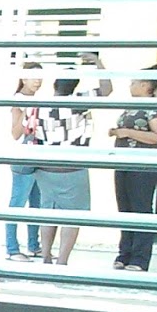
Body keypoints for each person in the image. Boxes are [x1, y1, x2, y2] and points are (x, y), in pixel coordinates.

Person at [34, 52, 112, 265]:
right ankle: (62, 260)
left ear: (55, 84)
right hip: (72, 168)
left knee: (48, 212)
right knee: (72, 216)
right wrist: (97, 61)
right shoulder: (78, 102)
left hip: (45, 167)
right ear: (75, 86)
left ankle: (46, 256)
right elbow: (107, 89)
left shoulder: (41, 104)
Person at [109, 66, 157, 271]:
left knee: (141, 208)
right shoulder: (131, 107)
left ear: (145, 85)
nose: (131, 86)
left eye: (134, 82)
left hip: (143, 165)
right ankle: (124, 253)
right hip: (123, 163)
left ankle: (140, 258)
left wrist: (128, 133)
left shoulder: (154, 109)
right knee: (125, 208)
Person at [4, 61, 45, 262]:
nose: (37, 81)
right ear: (23, 78)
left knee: (37, 203)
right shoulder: (18, 99)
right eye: (33, 76)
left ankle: (34, 245)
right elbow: (15, 133)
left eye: (40, 76)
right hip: (22, 155)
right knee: (17, 202)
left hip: (39, 154)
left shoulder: (40, 98)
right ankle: (12, 248)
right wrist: (28, 111)